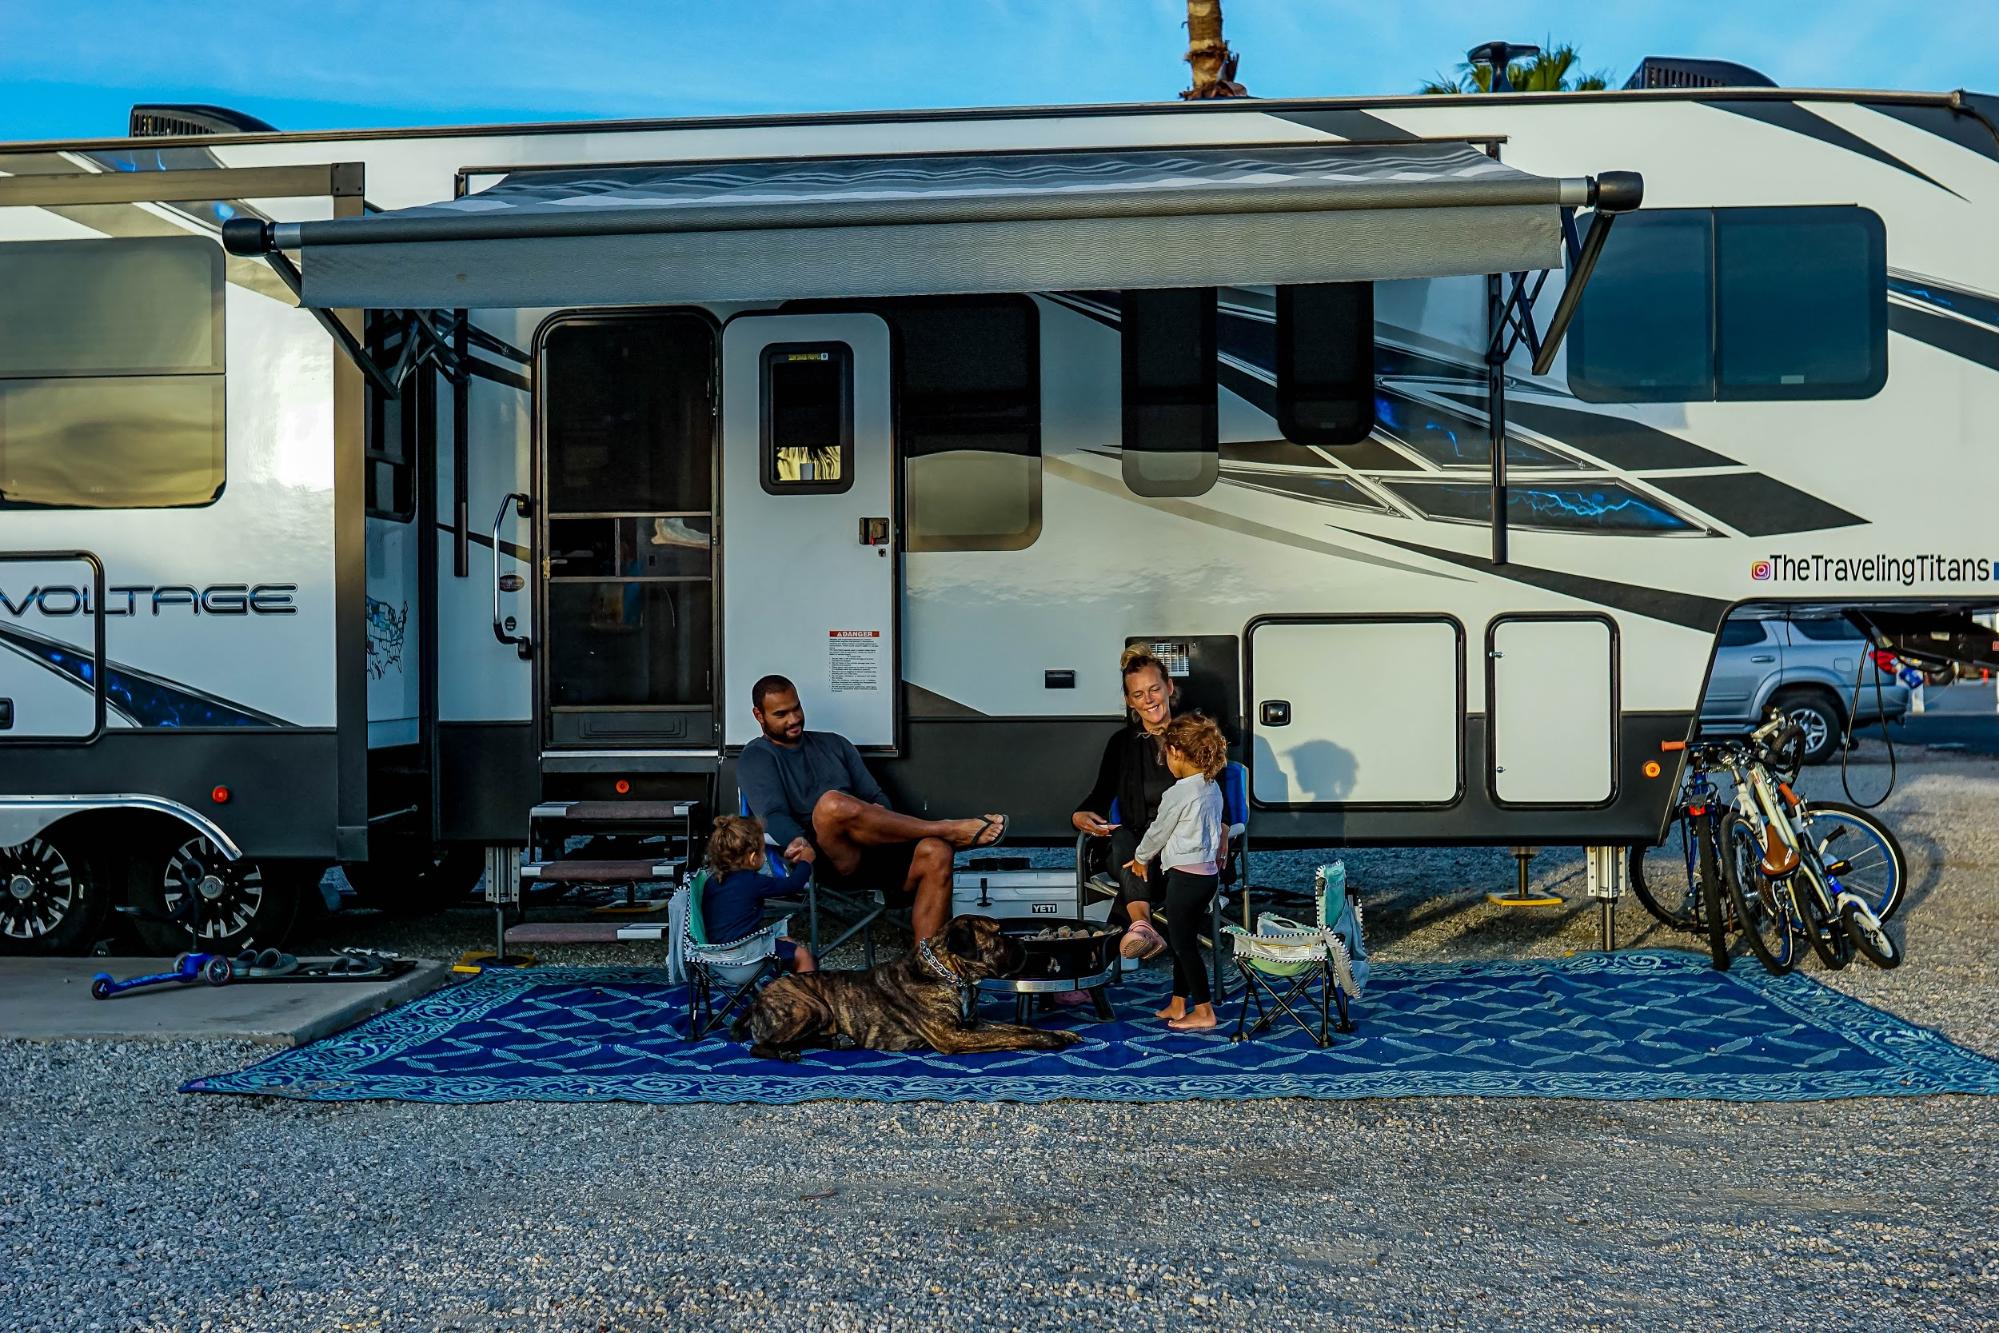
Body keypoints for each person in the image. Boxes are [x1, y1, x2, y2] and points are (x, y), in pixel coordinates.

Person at [736, 674, 1008, 943]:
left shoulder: (834, 743)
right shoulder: (757, 756)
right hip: (828, 858)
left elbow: (876, 796)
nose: (793, 719)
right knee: (831, 803)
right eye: (781, 714)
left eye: (796, 708)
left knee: (937, 852)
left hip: (877, 846)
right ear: (759, 715)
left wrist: (877, 811)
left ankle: (926, 971)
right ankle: (948, 828)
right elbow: (772, 814)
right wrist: (797, 841)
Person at [1072, 647, 1179, 952]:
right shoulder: (1122, 744)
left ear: (1169, 687)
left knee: (1134, 856)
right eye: (1138, 694)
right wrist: (1079, 816)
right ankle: (1142, 926)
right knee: (1122, 840)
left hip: (1183, 842)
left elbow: (1216, 791)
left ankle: (1133, 931)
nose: (1149, 699)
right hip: (1135, 841)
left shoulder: (1193, 735)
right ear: (1129, 700)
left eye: (1155, 689)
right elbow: (1101, 793)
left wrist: (1224, 827)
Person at [1126, 713, 1229, 1031]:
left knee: (1183, 945)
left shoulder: (1179, 793)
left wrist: (1141, 857)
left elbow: (1159, 830)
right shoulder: (1211, 787)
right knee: (1184, 938)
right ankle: (1178, 1002)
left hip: (1184, 878)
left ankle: (1204, 1011)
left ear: (1176, 753)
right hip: (1207, 876)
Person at [700, 814, 815, 973]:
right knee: (802, 956)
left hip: (717, 958)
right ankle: (809, 996)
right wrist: (805, 862)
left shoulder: (712, 881)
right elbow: (793, 885)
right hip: (745, 958)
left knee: (785, 941)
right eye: (763, 852)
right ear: (753, 858)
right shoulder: (752, 881)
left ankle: (787, 990)